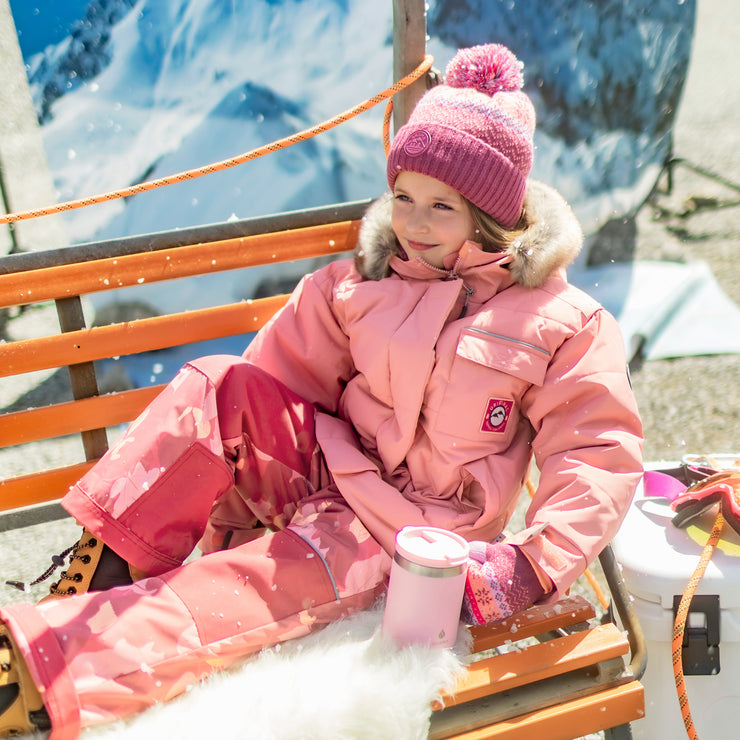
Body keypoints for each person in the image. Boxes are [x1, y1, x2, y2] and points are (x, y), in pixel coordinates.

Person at [0, 43, 642, 738]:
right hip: (328, 476)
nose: (415, 223)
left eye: (441, 206)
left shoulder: (558, 322)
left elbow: (597, 454)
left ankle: (43, 670)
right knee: (218, 382)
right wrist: (231, 490)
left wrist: (529, 564)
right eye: (403, 197)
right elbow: (265, 389)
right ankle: (98, 582)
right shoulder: (360, 283)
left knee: (254, 583)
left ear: (492, 218)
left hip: (406, 539)